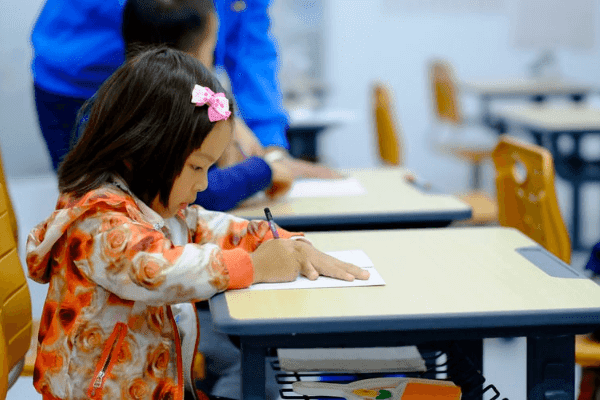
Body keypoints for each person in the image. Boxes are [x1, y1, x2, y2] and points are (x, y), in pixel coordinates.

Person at [26, 47, 368, 400]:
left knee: (260, 378)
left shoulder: (157, 207)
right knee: (258, 380)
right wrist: (253, 266)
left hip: (160, 386)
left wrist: (284, 242)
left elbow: (210, 227)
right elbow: (156, 269)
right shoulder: (97, 221)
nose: (203, 184)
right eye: (196, 167)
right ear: (139, 151)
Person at [31, 0, 340, 179]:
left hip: (168, 76)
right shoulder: (160, 45)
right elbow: (168, 34)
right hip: (81, 81)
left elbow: (248, 42)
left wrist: (271, 148)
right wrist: (261, 170)